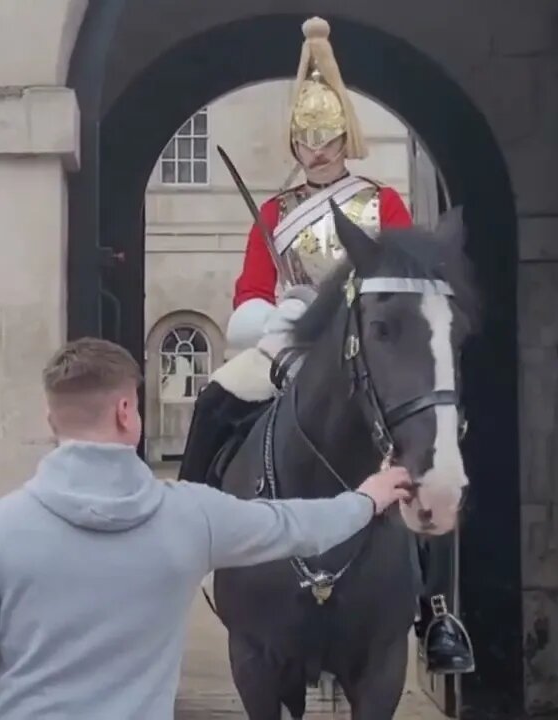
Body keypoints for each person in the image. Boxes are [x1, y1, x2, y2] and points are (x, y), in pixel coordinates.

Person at [176, 15, 475, 675]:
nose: (317, 150)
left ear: (347, 137)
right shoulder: (276, 217)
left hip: (369, 346)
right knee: (218, 399)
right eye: (305, 139)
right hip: (289, 341)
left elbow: (404, 280)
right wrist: (278, 312)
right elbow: (247, 295)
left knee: (436, 442)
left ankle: (434, 609)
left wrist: (345, 313)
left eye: (328, 137)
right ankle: (186, 537)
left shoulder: (382, 203)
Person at [0, 337, 414, 719]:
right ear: (125, 411)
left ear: (52, 418)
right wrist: (367, 499)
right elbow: (295, 524)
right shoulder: (189, 517)